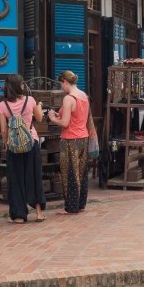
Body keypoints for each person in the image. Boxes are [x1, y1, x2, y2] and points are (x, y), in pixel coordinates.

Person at [0, 74, 46, 224]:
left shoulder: (3, 105)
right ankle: (38, 213)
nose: (23, 86)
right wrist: (39, 106)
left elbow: (4, 130)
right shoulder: (30, 100)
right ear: (18, 86)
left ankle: (19, 215)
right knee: (34, 176)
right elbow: (39, 119)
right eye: (22, 84)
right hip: (31, 142)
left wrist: (8, 144)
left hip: (14, 147)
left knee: (16, 179)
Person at [48, 70, 89, 215]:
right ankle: (81, 204)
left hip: (71, 139)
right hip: (84, 137)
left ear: (65, 82)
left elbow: (65, 123)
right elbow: (76, 116)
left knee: (70, 173)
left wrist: (53, 118)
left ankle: (71, 207)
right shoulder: (83, 96)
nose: (61, 88)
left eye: (61, 84)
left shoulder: (68, 98)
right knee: (82, 172)